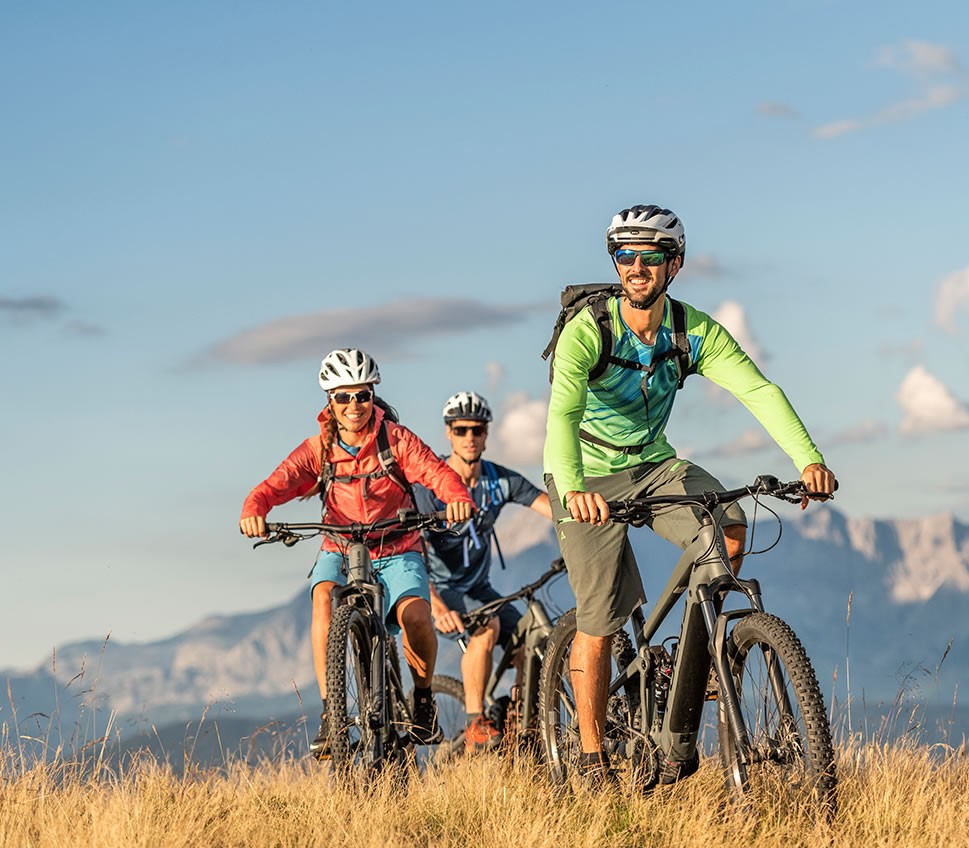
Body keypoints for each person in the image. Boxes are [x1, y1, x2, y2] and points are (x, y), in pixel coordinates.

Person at [543, 204, 838, 786]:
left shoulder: (691, 331)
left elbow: (757, 389)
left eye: (650, 256)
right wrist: (573, 488)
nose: (636, 267)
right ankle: (593, 757)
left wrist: (807, 459)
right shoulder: (589, 330)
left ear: (674, 264)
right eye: (624, 255)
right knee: (599, 618)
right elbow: (563, 414)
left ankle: (693, 659)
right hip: (585, 473)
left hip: (654, 463)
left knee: (729, 527)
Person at [239, 348, 475, 758]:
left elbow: (435, 471)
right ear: (329, 401)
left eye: (362, 395)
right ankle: (332, 713)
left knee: (416, 616)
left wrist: (457, 498)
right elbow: (278, 483)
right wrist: (254, 509)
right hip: (340, 546)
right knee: (323, 599)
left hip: (397, 546)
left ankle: (423, 700)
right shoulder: (318, 449)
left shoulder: (395, 440)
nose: (354, 405)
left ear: (372, 396)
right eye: (343, 397)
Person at [411, 391, 554, 751]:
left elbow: (550, 507)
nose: (470, 437)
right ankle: (475, 721)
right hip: (442, 590)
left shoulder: (497, 481)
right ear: (448, 433)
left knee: (532, 640)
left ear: (487, 433)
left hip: (480, 588)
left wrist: (586, 518)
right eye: (461, 430)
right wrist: (436, 606)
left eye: (477, 429)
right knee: (487, 626)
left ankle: (521, 720)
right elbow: (409, 550)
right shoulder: (430, 486)